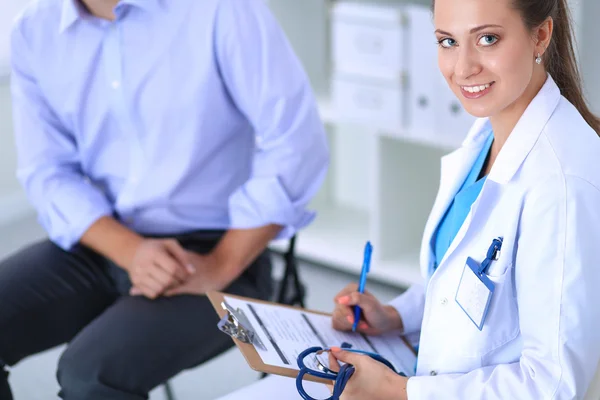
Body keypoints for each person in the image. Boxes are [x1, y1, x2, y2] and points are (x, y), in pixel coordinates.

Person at [217, 0, 600, 398]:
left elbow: (552, 383)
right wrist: (395, 316)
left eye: (488, 39)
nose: (463, 67)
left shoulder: (562, 184)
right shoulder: (489, 133)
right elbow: (465, 282)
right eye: (447, 41)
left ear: (540, 35)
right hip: (418, 371)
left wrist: (399, 392)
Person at [0, 0, 329, 398]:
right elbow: (47, 171)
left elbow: (296, 145)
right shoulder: (34, 29)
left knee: (90, 374)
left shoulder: (223, 10)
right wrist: (131, 251)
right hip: (102, 238)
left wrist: (222, 263)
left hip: (222, 255)